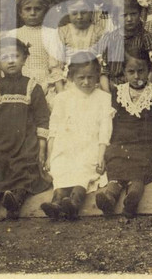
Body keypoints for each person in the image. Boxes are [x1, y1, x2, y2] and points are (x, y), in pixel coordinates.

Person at [0, 38, 52, 220]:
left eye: (16, 56)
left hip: (25, 143)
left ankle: (16, 199)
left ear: (24, 59)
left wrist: (41, 147)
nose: (11, 61)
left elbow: (42, 119)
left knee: (24, 167)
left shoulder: (33, 87)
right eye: (5, 57)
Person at [96, 49, 152, 218]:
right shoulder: (118, 92)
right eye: (131, 72)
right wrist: (108, 145)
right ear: (124, 73)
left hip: (146, 143)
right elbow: (111, 122)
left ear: (149, 71)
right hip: (122, 142)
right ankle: (110, 197)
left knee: (140, 170)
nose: (136, 76)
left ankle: (132, 198)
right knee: (115, 161)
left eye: (141, 71)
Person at [41, 53, 114, 221]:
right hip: (66, 144)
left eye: (91, 77)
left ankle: (73, 204)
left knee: (83, 168)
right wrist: (49, 155)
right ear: (72, 76)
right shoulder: (62, 98)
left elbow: (105, 129)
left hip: (91, 144)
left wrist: (101, 155)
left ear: (98, 76)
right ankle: (56, 203)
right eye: (81, 77)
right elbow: (54, 129)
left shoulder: (103, 98)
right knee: (62, 168)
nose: (86, 82)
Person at [99, 0, 152, 90]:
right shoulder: (109, 39)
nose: (129, 19)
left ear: (140, 13)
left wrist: (143, 92)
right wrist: (108, 93)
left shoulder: (147, 38)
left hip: (140, 87)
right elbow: (104, 71)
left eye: (133, 14)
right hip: (114, 87)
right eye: (124, 15)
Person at [9, 0, 59, 99]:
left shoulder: (51, 33)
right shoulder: (13, 34)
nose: (32, 13)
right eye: (28, 9)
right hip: (18, 83)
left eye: (37, 9)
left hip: (46, 84)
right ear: (20, 12)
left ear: (45, 11)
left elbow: (55, 67)